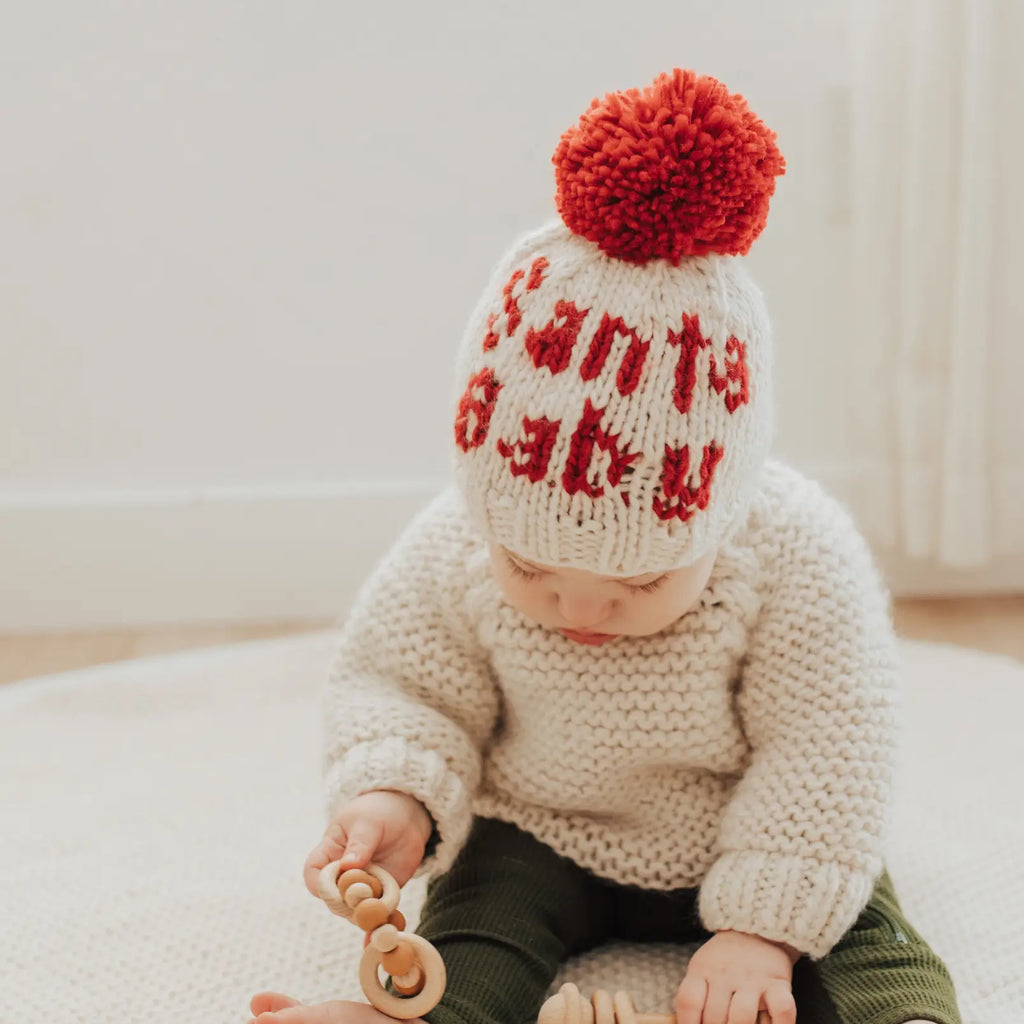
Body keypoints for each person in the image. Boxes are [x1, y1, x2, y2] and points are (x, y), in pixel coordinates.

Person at [249, 68, 961, 1024]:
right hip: (541, 828)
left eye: (640, 579)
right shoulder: (459, 539)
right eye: (530, 570)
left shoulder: (795, 552)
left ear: (725, 509)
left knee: (858, 924)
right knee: (472, 934)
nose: (579, 609)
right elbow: (401, 683)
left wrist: (765, 927)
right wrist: (398, 793)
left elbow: (830, 742)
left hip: (742, 824)